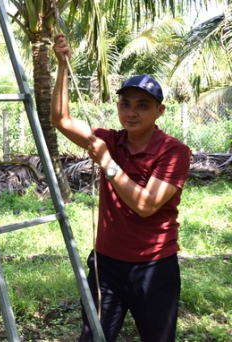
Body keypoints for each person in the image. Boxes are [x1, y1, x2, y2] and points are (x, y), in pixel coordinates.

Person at [51, 34, 191, 342]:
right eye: (125, 104)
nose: (132, 112)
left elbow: (145, 205)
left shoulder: (173, 151)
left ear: (160, 111)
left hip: (153, 268)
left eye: (143, 105)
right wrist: (62, 65)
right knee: (93, 339)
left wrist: (108, 165)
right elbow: (61, 120)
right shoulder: (110, 140)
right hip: (106, 266)